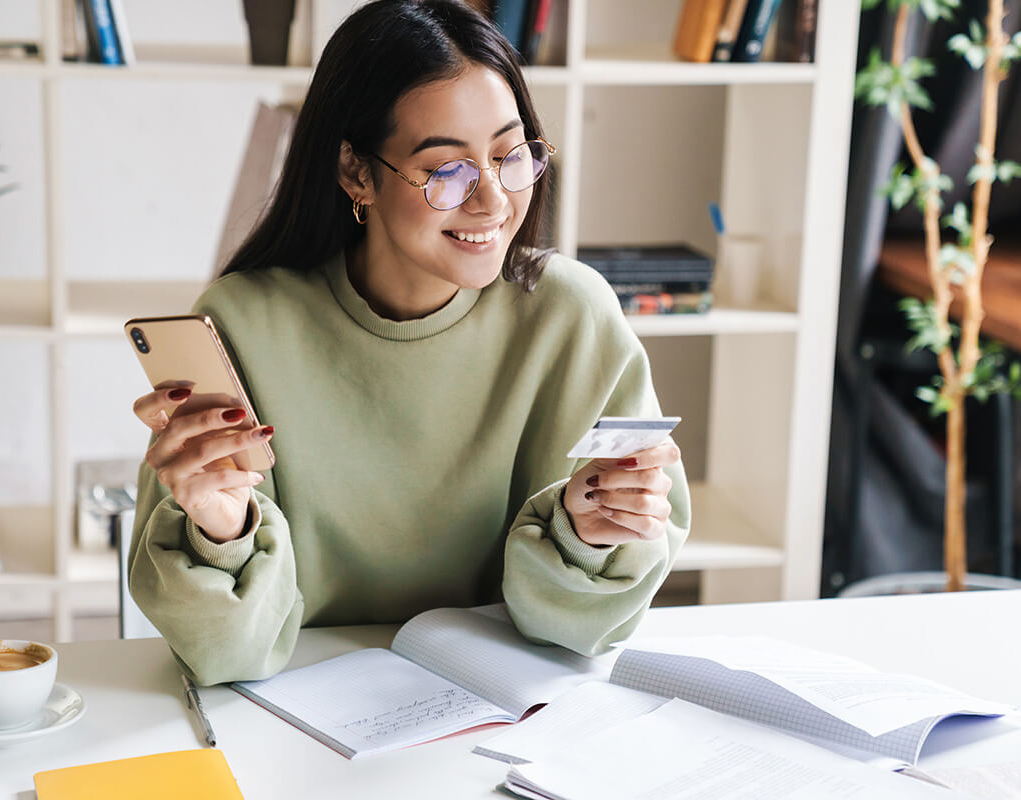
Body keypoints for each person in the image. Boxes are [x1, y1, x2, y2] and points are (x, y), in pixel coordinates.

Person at [128, 0, 691, 685]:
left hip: (507, 708)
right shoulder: (244, 323)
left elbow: (577, 636)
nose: (492, 201)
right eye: (446, 170)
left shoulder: (573, 318)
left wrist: (591, 535)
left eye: (511, 156)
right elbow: (228, 655)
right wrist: (221, 529)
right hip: (296, 712)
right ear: (356, 172)